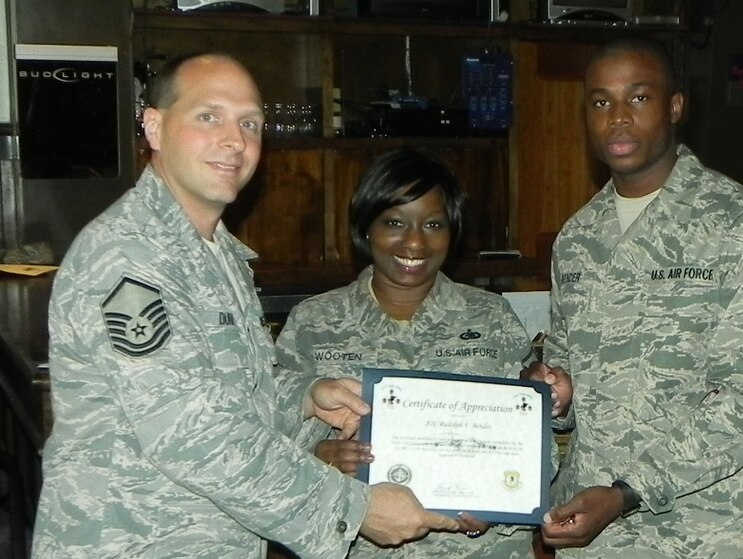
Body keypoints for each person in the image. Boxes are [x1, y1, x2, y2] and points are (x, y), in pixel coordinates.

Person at [31, 52, 459, 559]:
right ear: (154, 126)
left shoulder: (216, 252)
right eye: (208, 116)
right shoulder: (131, 257)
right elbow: (193, 432)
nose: (234, 140)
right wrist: (354, 507)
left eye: (250, 123)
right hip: (135, 541)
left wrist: (305, 396)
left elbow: (228, 388)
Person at [526, 35, 743, 558]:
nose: (618, 117)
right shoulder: (578, 238)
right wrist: (555, 392)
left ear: (675, 106)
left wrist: (626, 494)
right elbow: (568, 379)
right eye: (601, 101)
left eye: (639, 98)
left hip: (708, 533)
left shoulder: (738, 222)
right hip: (595, 533)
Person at [274, 147, 559, 558]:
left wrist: (498, 502)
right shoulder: (312, 323)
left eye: (433, 224)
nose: (414, 241)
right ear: (365, 227)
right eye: (394, 222)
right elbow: (264, 446)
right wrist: (321, 462)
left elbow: (536, 445)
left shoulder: (491, 316)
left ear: (452, 232)